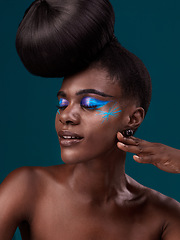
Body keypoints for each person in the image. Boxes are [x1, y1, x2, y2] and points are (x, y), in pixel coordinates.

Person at [0, 0, 179, 239]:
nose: (66, 116)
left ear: (133, 118)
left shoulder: (165, 216)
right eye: (62, 103)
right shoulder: (26, 188)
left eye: (89, 104)